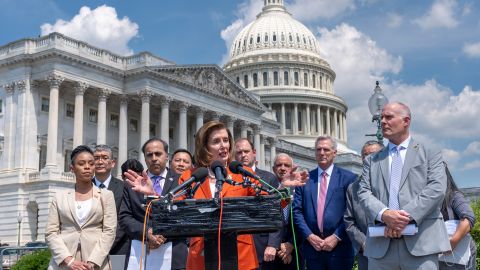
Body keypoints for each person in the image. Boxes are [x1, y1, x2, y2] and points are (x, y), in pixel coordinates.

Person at [358, 102, 450, 269]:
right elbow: (363, 192)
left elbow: (436, 188)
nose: (383, 122)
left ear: (406, 121)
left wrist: (401, 218)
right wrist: (384, 214)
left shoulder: (430, 152)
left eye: (389, 117)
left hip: (421, 244)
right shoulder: (372, 160)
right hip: (381, 247)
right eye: (381, 118)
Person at [119, 138, 187, 270]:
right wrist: (147, 233)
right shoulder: (132, 184)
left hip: (173, 251)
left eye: (158, 154)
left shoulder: (182, 181)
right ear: (144, 158)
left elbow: (184, 217)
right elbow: (125, 218)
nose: (154, 158)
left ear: (167, 156)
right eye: (149, 155)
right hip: (140, 250)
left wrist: (161, 234)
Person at [46, 145, 116, 270]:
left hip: (96, 263)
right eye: (82, 163)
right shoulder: (59, 197)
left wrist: (93, 261)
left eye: (91, 163)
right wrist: (68, 260)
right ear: (72, 168)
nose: (87, 167)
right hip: (64, 263)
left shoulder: (106, 195)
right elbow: (51, 233)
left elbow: (109, 231)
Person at [292, 135, 356, 270]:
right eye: (318, 149)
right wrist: (309, 236)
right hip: (312, 249)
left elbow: (352, 211)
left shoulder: (348, 178)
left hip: (340, 249)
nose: (322, 153)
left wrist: (336, 236)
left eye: (326, 149)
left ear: (334, 153)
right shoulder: (305, 179)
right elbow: (296, 211)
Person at [234, 138, 280, 269]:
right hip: (236, 246)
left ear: (254, 152)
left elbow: (276, 213)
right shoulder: (229, 179)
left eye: (246, 151)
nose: (243, 155)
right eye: (239, 152)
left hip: (261, 246)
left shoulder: (268, 178)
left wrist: (272, 244)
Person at [344, 140, 384, 270]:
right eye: (364, 156)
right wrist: (363, 242)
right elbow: (349, 221)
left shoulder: (394, 183)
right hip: (365, 253)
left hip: (393, 249)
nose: (368, 159)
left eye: (373, 154)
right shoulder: (353, 188)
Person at [92, 144, 128, 256]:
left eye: (104, 158)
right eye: (96, 158)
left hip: (117, 249)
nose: (100, 161)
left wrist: (102, 248)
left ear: (112, 163)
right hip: (88, 249)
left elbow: (123, 220)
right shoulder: (82, 188)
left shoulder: (124, 188)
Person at [439, 164, 476, 270]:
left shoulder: (453, 196)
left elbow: (468, 218)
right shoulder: (427, 200)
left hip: (458, 254)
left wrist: (453, 241)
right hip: (439, 255)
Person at [271, 153, 304, 270]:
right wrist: (278, 246)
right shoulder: (266, 188)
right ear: (273, 169)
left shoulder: (301, 189)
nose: (283, 168)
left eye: (287, 165)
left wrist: (290, 245)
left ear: (292, 168)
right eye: (279, 165)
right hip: (272, 251)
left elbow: (305, 219)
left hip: (296, 250)